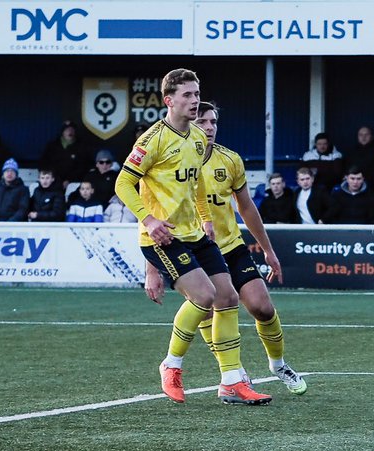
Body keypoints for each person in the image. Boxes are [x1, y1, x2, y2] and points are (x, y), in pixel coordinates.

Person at [114, 68, 270, 405]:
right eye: (187, 94)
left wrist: (204, 218)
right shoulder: (152, 140)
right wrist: (148, 219)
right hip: (163, 237)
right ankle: (171, 365)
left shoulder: (198, 138)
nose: (195, 100)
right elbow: (122, 183)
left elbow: (196, 182)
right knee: (204, 295)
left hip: (194, 233)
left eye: (197, 94)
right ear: (169, 101)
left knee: (227, 297)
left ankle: (232, 382)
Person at [145, 101, 307, 395]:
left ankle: (278, 365)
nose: (209, 128)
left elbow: (246, 207)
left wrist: (267, 249)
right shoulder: (171, 158)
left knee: (261, 306)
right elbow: (153, 214)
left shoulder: (230, 160)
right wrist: (152, 270)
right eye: (202, 122)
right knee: (209, 306)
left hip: (230, 246)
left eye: (213, 122)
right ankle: (233, 375)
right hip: (193, 250)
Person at [40, 121, 93, 185]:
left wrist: (70, 180)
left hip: (74, 183)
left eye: (72, 129)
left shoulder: (82, 147)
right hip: (53, 182)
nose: (70, 132)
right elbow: (44, 164)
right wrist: (55, 179)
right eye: (67, 130)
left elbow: (84, 167)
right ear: (62, 132)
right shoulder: (52, 146)